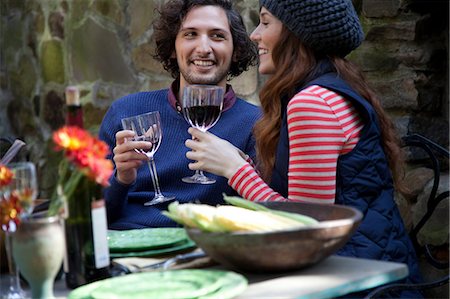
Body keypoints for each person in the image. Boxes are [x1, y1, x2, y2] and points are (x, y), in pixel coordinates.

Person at [184, 0, 423, 296]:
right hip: (373, 265)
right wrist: (243, 163)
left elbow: (306, 228)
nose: (255, 34)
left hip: (353, 283)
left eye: (266, 22)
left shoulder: (312, 103)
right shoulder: (332, 86)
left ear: (297, 33)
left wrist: (235, 170)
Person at [98, 0, 260, 230]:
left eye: (217, 36)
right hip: (125, 248)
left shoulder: (256, 124)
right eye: (191, 34)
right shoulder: (125, 111)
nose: (204, 48)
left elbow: (265, 215)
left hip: (203, 252)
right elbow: (88, 217)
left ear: (236, 51)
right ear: (173, 48)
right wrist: (121, 180)